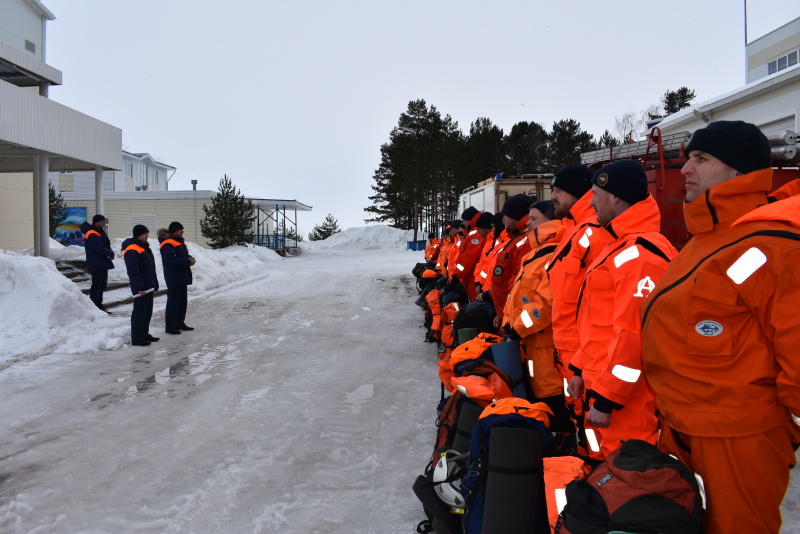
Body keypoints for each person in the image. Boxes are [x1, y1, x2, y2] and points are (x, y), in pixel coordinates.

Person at [640, 120, 800, 533]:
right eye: (687, 157)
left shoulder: (772, 242)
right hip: (683, 429)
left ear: (738, 170)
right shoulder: (705, 239)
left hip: (735, 440)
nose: (686, 168)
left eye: (701, 158)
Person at [565, 159, 676, 464]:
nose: (590, 202)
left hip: (626, 405)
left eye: (595, 195)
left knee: (624, 483)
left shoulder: (640, 255)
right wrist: (578, 368)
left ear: (614, 196)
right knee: (598, 475)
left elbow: (634, 335)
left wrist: (609, 397)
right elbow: (597, 325)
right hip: (599, 391)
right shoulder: (619, 247)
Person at [545, 164, 614, 408]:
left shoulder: (594, 233)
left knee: (590, 430)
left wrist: (583, 360)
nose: (552, 197)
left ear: (578, 193)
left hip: (584, 357)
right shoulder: (574, 230)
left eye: (559, 190)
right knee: (578, 421)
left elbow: (602, 307)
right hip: (568, 353)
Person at [502, 200, 573, 434]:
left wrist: (517, 328)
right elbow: (516, 294)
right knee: (536, 399)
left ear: (551, 221)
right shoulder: (536, 252)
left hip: (545, 347)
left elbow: (545, 304)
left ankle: (562, 449)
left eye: (533, 219)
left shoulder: (556, 253)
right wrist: (507, 324)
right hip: (528, 344)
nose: (528, 223)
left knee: (552, 401)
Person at [488, 194, 534, 325]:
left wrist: (507, 316)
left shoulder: (526, 242)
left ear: (515, 215)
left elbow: (516, 284)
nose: (502, 219)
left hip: (513, 317)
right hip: (506, 313)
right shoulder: (517, 239)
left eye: (505, 215)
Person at [122, 224, 159, 346]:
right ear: (138, 235)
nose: (147, 235)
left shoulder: (142, 246)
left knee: (147, 311)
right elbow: (133, 271)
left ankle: (144, 333)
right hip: (141, 287)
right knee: (139, 312)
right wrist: (140, 287)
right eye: (145, 234)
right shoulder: (132, 249)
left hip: (148, 285)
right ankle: (137, 337)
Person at [158, 221, 196, 335]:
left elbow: (183, 256)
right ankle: (170, 326)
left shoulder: (179, 241)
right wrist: (187, 261)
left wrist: (190, 258)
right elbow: (171, 260)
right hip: (174, 276)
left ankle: (179, 322)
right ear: (174, 231)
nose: (182, 231)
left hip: (182, 275)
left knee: (182, 302)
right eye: (181, 229)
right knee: (173, 302)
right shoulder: (168, 243)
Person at [79, 214, 115, 313]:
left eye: (105, 221)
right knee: (97, 285)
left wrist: (109, 253)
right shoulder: (91, 233)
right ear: (97, 222)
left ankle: (99, 305)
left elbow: (105, 244)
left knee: (102, 285)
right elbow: (99, 248)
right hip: (96, 262)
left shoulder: (100, 232)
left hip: (102, 262)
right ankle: (95, 306)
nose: (104, 223)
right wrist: (110, 253)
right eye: (102, 222)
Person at [450, 207, 486, 301]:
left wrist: (456, 275)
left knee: (475, 304)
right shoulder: (471, 233)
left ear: (468, 220)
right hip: (470, 276)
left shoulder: (475, 234)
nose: (462, 223)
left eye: (464, 220)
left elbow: (468, 258)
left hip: (473, 277)